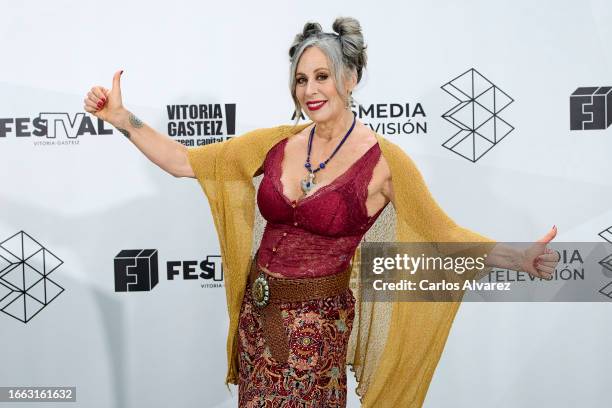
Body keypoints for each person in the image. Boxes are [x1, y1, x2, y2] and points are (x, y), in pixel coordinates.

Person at [84, 16, 560, 408]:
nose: (310, 89)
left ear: (349, 79)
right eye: (300, 79)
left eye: (322, 76)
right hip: (258, 320)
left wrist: (519, 258)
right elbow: (184, 162)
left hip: (316, 335)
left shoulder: (386, 164)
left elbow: (442, 234)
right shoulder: (275, 144)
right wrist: (122, 119)